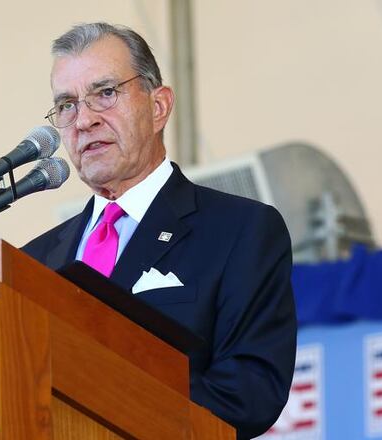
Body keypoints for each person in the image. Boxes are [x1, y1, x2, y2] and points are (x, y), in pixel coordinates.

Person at [22, 22, 297, 439]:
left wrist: (111, 393)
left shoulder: (240, 230)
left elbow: (250, 394)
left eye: (105, 93)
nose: (84, 120)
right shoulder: (32, 263)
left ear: (158, 106)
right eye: (66, 105)